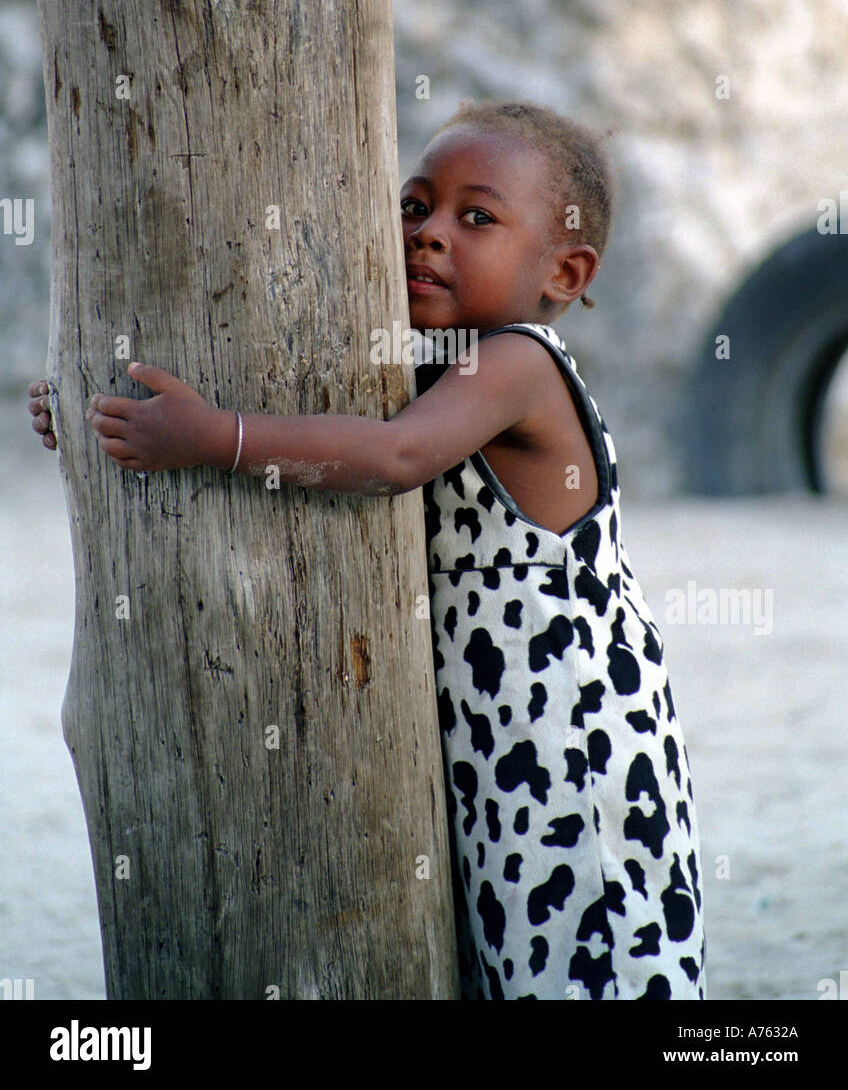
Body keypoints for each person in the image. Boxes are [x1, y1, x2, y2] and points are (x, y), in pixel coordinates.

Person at [28, 98, 706, 1000]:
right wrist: (94, 415)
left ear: (565, 272)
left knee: (586, 962)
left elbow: (391, 457)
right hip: (492, 744)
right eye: (414, 205)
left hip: (571, 740)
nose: (428, 234)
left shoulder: (519, 364)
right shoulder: (417, 365)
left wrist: (214, 437)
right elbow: (344, 424)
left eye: (477, 217)